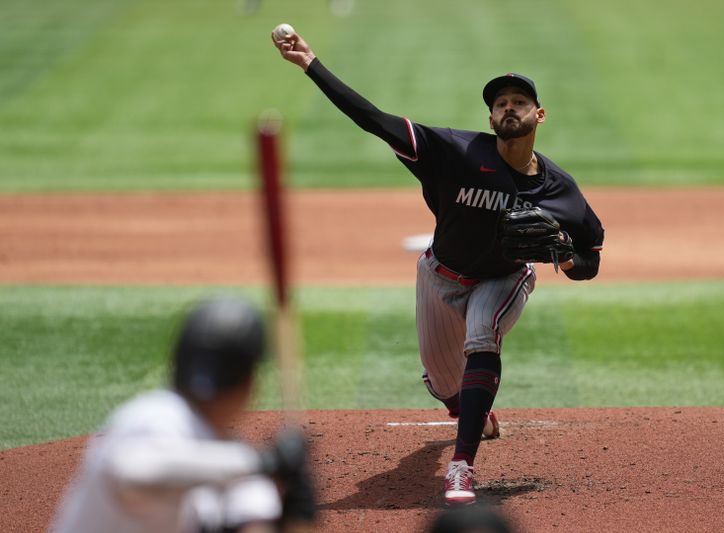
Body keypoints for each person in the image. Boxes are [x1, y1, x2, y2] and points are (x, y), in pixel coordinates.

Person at [272, 29, 604, 506]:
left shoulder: (561, 192)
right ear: (490, 117)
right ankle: (464, 406)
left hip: (503, 277)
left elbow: (590, 259)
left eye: (519, 101)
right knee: (445, 382)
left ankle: (461, 467)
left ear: (539, 114)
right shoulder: (456, 153)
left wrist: (569, 256)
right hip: (439, 275)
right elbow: (373, 120)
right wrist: (311, 64)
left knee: (482, 336)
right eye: (501, 103)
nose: (509, 108)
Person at [50, 296, 315, 532]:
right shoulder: (156, 418)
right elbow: (135, 469)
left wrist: (298, 512)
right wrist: (262, 462)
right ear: (250, 383)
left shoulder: (234, 457)